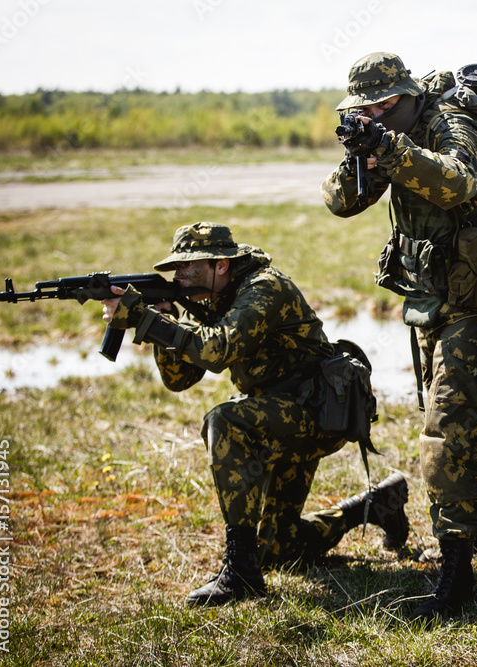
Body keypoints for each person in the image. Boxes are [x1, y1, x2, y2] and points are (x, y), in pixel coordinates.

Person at [100, 221, 409, 607]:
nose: (178, 276)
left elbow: (217, 353)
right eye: (175, 270)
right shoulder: (210, 298)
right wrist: (163, 322)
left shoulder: (263, 288)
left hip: (318, 414)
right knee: (280, 549)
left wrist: (147, 321)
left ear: (221, 265)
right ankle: (375, 505)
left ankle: (240, 571)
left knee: (224, 420)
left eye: (186, 267)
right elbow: (180, 380)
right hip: (280, 417)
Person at [321, 52, 477, 620]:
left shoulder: (451, 125)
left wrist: (390, 150)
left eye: (385, 105)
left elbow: (456, 184)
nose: (378, 114)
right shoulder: (390, 135)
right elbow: (340, 202)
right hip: (431, 299)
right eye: (367, 109)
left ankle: (455, 572)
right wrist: (362, 152)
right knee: (460, 422)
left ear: (408, 95)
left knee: (444, 427)